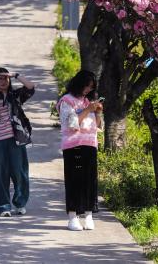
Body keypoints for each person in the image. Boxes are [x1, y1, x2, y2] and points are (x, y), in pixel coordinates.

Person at [0, 66, 35, 216]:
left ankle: (20, 203)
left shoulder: (15, 95)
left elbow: (30, 88)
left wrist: (16, 75)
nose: (3, 81)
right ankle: (4, 207)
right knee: (0, 175)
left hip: (16, 140)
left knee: (20, 172)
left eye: (5, 78)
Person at [57, 69, 103, 231]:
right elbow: (71, 124)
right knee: (74, 181)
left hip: (90, 144)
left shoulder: (87, 101)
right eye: (86, 86)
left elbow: (97, 126)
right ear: (79, 83)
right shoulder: (66, 101)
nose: (88, 90)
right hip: (73, 145)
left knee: (90, 181)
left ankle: (89, 215)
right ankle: (73, 216)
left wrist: (97, 112)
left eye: (91, 87)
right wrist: (88, 110)